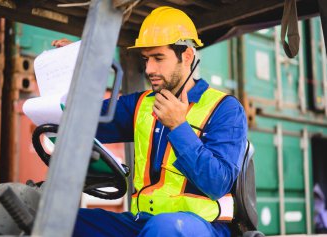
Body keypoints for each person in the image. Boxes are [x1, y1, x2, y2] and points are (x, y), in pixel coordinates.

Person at [53, 6, 247, 237]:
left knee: (164, 228)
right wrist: (73, 70)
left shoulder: (225, 109)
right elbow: (80, 120)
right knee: (62, 218)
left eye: (158, 58)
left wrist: (178, 127)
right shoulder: (139, 105)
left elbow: (217, 183)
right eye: (146, 59)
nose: (149, 69)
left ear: (186, 56)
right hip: (142, 223)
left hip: (203, 227)